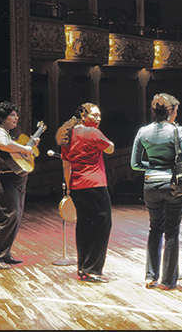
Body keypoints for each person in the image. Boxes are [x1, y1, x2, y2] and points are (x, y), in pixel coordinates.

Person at [130, 93, 182, 290]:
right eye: (175, 111)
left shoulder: (143, 132)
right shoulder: (179, 131)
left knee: (155, 228)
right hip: (173, 185)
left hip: (150, 184)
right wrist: (170, 166)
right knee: (172, 232)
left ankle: (151, 277)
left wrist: (152, 167)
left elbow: (134, 164)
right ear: (171, 111)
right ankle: (168, 281)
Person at [56, 103, 115, 283]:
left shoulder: (67, 135)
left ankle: (83, 268)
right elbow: (110, 148)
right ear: (83, 114)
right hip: (95, 185)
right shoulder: (92, 132)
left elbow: (66, 165)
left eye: (99, 116)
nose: (98, 119)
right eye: (95, 115)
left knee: (84, 226)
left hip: (76, 186)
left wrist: (69, 189)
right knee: (102, 225)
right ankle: (93, 270)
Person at [0, 101, 39, 269]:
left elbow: (11, 150)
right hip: (1, 181)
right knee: (9, 218)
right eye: (12, 115)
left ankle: (4, 253)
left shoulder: (7, 133)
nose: (16, 118)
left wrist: (27, 148)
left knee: (15, 218)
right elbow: (3, 145)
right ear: (1, 117)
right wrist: (25, 149)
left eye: (16, 115)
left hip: (13, 181)